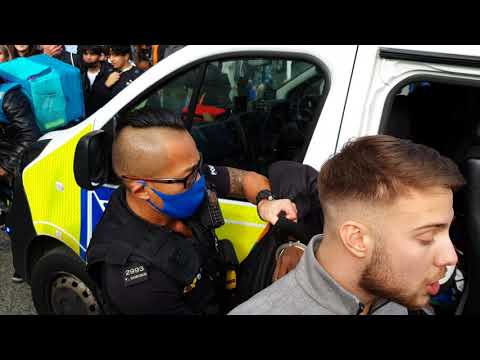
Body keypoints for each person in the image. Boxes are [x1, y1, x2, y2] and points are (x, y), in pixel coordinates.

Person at [86, 108, 297, 314]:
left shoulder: (181, 176)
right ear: (141, 190)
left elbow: (246, 181)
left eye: (198, 166)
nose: (200, 180)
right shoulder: (136, 283)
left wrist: (266, 202)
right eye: (189, 177)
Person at [229, 135, 465, 315]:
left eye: (447, 230)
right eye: (426, 237)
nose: (451, 257)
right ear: (356, 239)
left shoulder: (395, 295)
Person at [0, 70, 41, 276]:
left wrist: (6, 166)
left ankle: (24, 268)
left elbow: (30, 135)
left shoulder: (10, 97)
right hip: (5, 160)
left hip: (17, 165)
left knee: (20, 218)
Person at [78, 45, 114, 117]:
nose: (88, 57)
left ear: (100, 56)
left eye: (92, 54)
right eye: (85, 54)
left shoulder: (110, 72)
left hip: (106, 117)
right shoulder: (80, 73)